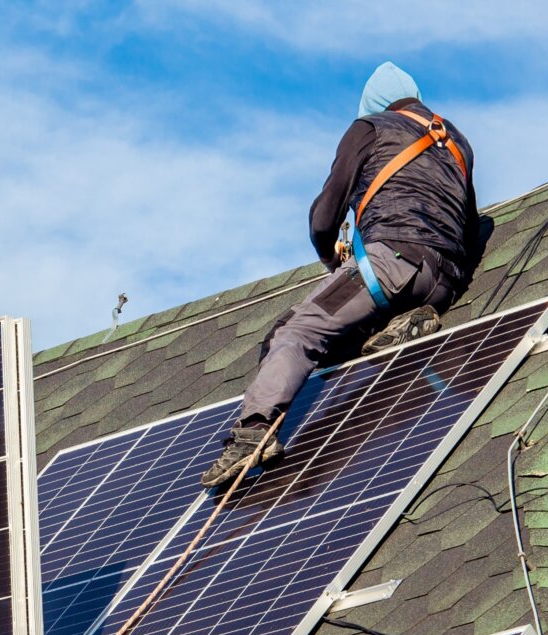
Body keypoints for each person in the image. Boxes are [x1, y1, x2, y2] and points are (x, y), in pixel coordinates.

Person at [202, 62, 480, 490]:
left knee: (296, 332)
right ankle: (413, 317)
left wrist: (333, 260)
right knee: (346, 342)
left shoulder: (369, 129)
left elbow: (323, 218)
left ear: (372, 106)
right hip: (443, 279)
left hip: (388, 265)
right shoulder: (457, 142)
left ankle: (253, 433)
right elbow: (466, 222)